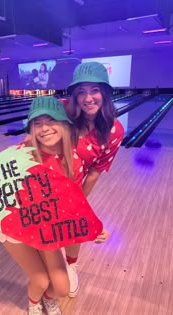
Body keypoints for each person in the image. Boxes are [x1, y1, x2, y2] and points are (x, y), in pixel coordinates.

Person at [0, 96, 85, 315]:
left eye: (51, 120)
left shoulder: (74, 162)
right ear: (31, 128)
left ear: (64, 124)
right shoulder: (16, 155)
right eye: (37, 123)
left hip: (44, 225)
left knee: (61, 287)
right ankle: (34, 303)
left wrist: (94, 228)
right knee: (40, 280)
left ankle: (49, 299)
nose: (45, 128)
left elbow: (74, 204)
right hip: (13, 226)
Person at [62, 61, 124, 298]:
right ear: (74, 96)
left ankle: (70, 264)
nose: (88, 98)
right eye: (81, 92)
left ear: (105, 93)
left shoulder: (114, 131)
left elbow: (95, 171)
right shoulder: (60, 110)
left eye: (94, 90)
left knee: (73, 228)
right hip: (43, 184)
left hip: (72, 187)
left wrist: (80, 200)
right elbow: (32, 139)